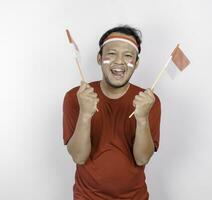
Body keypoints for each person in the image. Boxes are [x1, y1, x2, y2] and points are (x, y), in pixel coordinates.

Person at [63, 25, 161, 200]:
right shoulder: (75, 97)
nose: (120, 61)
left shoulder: (149, 101)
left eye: (128, 55)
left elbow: (142, 159)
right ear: (99, 58)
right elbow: (79, 156)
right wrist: (85, 115)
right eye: (111, 53)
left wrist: (143, 119)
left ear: (136, 63)